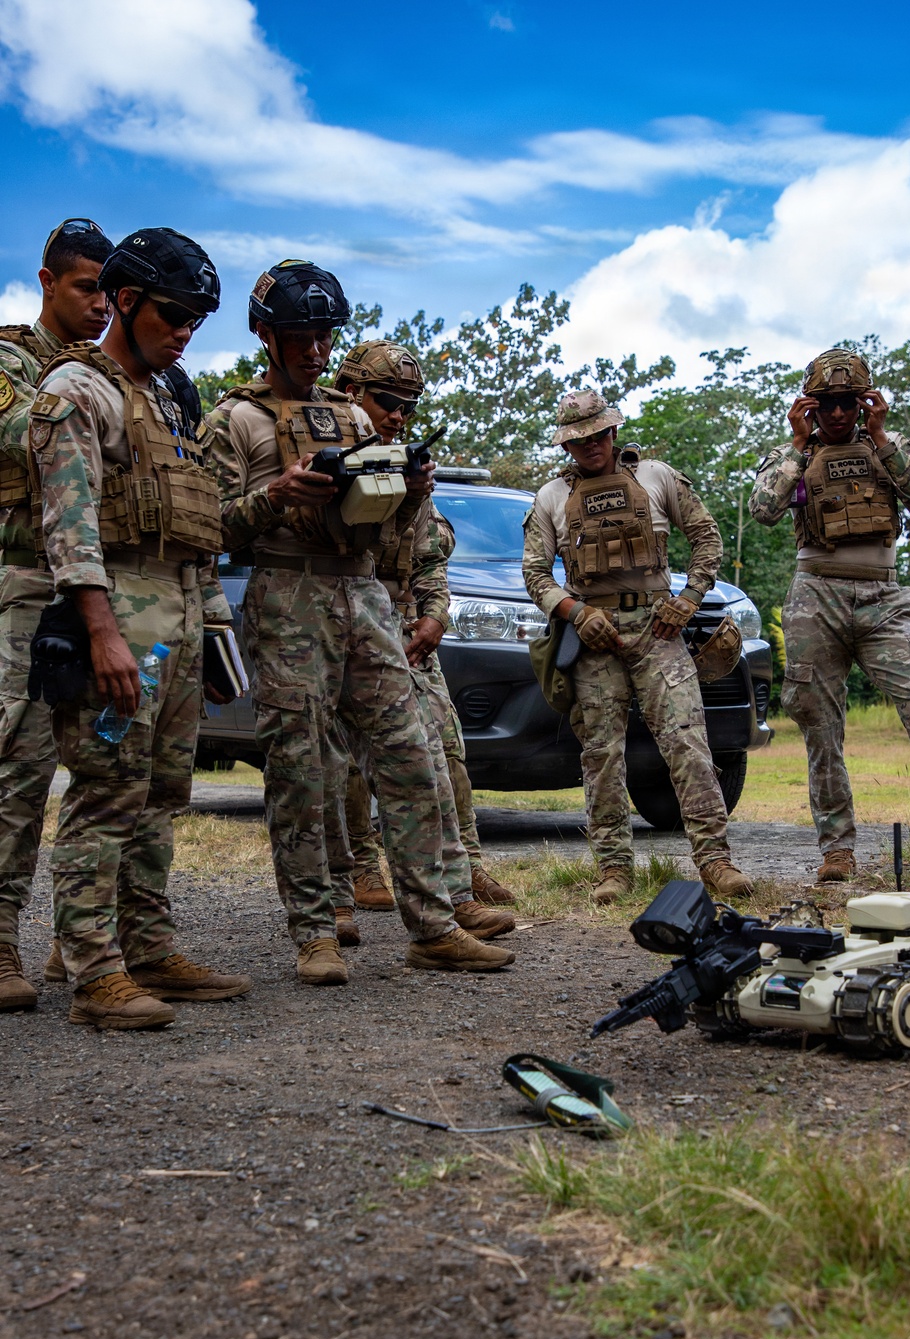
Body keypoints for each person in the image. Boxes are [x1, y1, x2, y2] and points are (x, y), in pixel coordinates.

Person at [204, 262, 514, 982]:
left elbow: (389, 534)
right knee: (299, 768)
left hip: (365, 594)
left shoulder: (350, 419)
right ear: (265, 334)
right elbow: (211, 529)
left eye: (323, 336)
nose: (313, 349)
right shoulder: (234, 421)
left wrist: (409, 492)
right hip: (287, 595)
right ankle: (314, 931)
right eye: (299, 336)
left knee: (410, 757)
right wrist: (278, 494)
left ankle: (433, 924)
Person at [29, 226, 252, 1030]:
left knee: (161, 791)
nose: (185, 331)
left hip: (178, 614)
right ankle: (93, 971)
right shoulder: (79, 393)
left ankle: (149, 947)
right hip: (118, 606)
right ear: (126, 300)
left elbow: (195, 522)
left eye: (197, 318)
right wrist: (102, 633)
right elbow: (69, 525)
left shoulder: (166, 398)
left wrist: (211, 631)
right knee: (106, 787)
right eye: (173, 314)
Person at [750, 347, 910, 881]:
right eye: (827, 404)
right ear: (809, 406)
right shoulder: (791, 456)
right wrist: (796, 444)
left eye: (848, 403)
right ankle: (836, 849)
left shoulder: (887, 447)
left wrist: (882, 439)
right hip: (816, 595)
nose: (838, 414)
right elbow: (764, 510)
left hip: (884, 598)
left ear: (865, 403)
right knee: (819, 721)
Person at [522, 389, 752, 902]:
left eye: (596, 437)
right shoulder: (550, 497)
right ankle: (613, 869)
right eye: (576, 442)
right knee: (602, 754)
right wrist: (577, 614)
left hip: (659, 629)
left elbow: (707, 536)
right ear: (566, 446)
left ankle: (715, 861)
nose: (588, 448)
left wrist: (689, 598)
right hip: (593, 635)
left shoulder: (656, 477)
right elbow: (535, 575)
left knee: (688, 744)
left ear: (612, 432)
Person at [333, 338, 516, 914]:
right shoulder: (331, 455)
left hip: (407, 626)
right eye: (387, 400)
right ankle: (359, 868)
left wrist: (435, 616)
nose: (398, 415)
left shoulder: (408, 467)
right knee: (345, 760)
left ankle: (467, 867)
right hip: (345, 622)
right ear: (350, 393)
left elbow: (430, 556)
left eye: (409, 405)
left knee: (444, 747)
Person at [0, 217, 114, 1010]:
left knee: (111, 770)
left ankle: (78, 945)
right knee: (20, 765)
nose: (101, 305)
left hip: (109, 584)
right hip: (31, 582)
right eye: (85, 288)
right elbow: (23, 436)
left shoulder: (122, 375)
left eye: (111, 291)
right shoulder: (12, 361)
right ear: (46, 283)